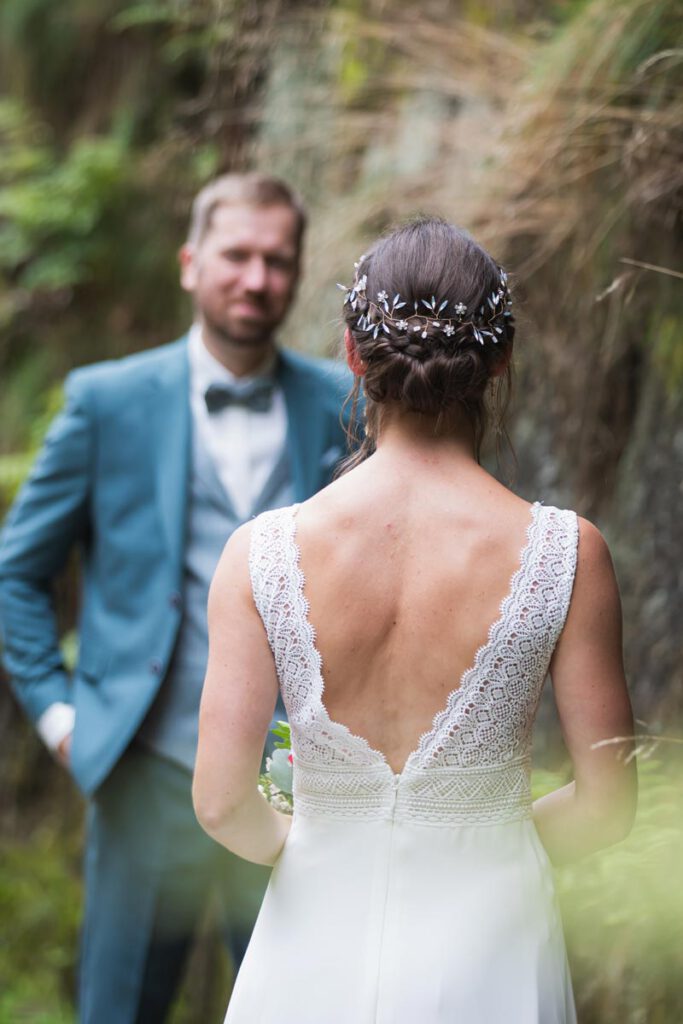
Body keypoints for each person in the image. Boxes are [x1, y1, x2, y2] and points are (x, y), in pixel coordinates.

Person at [192, 217, 638, 1023]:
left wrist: (323, 849)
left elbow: (222, 803)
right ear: (499, 361)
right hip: (492, 945)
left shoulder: (260, 555)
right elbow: (606, 805)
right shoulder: (567, 554)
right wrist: (489, 839)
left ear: (354, 358)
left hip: (310, 946)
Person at [0, 172, 352, 1022]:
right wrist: (61, 718)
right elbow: (15, 573)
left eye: (277, 259)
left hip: (290, 783)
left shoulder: (342, 407)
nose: (257, 278)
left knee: (292, 1006)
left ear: (297, 272)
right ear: (191, 264)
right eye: (236, 255)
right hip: (141, 770)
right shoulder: (106, 402)